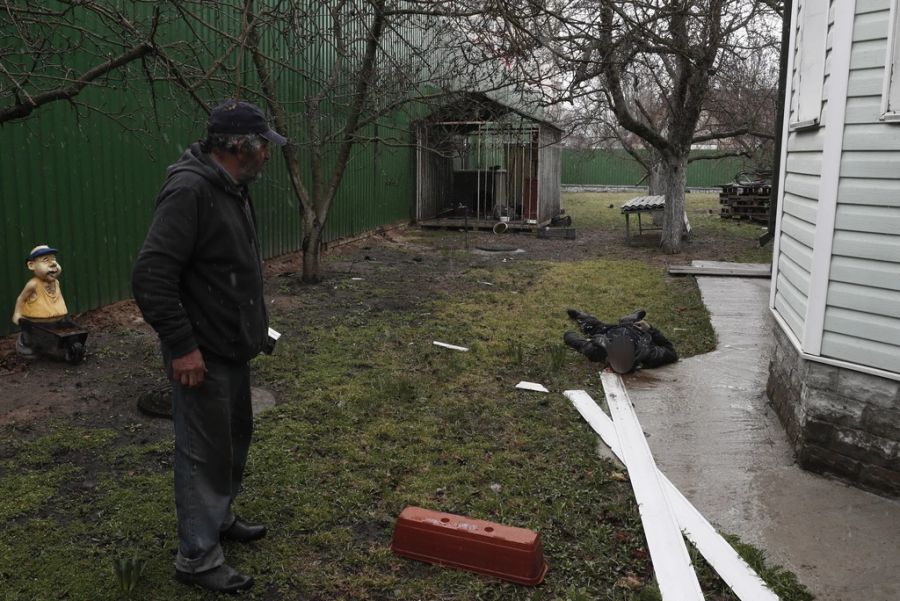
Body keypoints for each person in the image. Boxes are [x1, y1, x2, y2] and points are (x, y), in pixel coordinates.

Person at [132, 99, 286, 593]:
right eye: (264, 146)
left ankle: (218, 521)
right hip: (201, 353)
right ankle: (196, 558)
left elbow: (226, 268)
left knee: (232, 441)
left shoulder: (232, 186)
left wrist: (255, 326)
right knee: (202, 453)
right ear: (240, 147)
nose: (269, 155)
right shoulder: (190, 190)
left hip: (232, 345)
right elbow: (152, 275)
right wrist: (182, 348)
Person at [563, 308, 678, 373]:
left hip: (629, 330)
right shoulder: (652, 354)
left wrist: (569, 335)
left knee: (595, 327)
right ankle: (630, 319)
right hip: (630, 328)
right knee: (595, 326)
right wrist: (651, 329)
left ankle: (630, 319)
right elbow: (670, 351)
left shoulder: (649, 354)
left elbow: (580, 343)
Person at [12, 245, 69, 357]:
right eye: (46, 260)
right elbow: (21, 298)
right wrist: (17, 313)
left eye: (54, 259)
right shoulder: (33, 284)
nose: (53, 263)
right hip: (37, 322)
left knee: (57, 335)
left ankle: (54, 346)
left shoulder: (56, 282)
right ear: (31, 265)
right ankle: (26, 343)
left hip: (56, 321)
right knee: (36, 336)